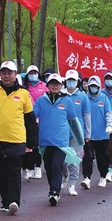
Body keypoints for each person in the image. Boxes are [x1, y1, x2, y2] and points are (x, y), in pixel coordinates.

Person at [0, 61, 37, 215]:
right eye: (4, 73)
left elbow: (30, 119)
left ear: (15, 74)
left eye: (10, 73)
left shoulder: (24, 93)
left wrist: (32, 142)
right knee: (2, 173)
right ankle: (5, 201)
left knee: (14, 171)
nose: (6, 76)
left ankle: (14, 201)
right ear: (0, 74)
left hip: (17, 140)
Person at [34, 73, 84, 206]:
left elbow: (73, 121)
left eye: (57, 83)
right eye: (52, 83)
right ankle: (53, 189)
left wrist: (80, 140)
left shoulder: (66, 100)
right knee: (49, 167)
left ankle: (54, 193)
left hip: (61, 142)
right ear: (48, 85)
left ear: (61, 85)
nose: (54, 86)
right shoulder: (41, 100)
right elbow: (32, 116)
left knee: (57, 165)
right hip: (45, 141)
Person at [62, 69, 90, 196]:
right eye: (69, 80)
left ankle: (72, 185)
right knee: (62, 160)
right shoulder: (61, 95)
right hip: (62, 132)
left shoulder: (83, 96)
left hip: (77, 134)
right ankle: (65, 176)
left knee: (74, 160)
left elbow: (87, 116)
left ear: (77, 81)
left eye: (73, 80)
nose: (71, 83)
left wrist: (87, 133)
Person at [83, 75, 112, 188]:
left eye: (95, 86)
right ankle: (87, 178)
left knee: (103, 157)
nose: (93, 88)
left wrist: (110, 126)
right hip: (89, 135)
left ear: (99, 87)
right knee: (88, 157)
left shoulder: (104, 98)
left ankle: (103, 176)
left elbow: (109, 113)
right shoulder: (85, 99)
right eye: (91, 86)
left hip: (102, 134)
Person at [22, 65, 47, 180]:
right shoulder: (24, 86)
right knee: (28, 144)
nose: (33, 75)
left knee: (37, 144)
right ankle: (29, 167)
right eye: (30, 73)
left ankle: (38, 166)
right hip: (26, 118)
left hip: (41, 119)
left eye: (35, 72)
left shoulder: (43, 86)